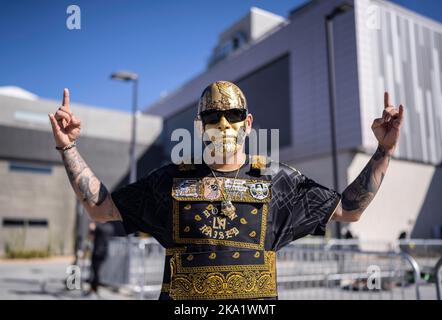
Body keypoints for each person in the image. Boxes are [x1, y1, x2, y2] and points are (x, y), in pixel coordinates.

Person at [48, 81, 404, 300]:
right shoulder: (170, 181)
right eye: (212, 116)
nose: (223, 124)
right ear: (199, 127)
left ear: (247, 123)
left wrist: (384, 151)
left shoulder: (278, 181)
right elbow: (101, 208)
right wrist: (68, 148)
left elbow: (348, 209)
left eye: (233, 114)